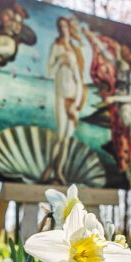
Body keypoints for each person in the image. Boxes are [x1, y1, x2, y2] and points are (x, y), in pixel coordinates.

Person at [82, 24, 131, 189]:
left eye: (124, 50)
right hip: (122, 112)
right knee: (126, 144)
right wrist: (91, 37)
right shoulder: (118, 65)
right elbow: (104, 52)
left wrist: (113, 98)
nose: (120, 52)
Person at [44, 18, 87, 182]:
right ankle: (49, 168)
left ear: (69, 28)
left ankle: (59, 172)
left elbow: (79, 78)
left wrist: (76, 103)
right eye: (60, 26)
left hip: (73, 97)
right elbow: (49, 71)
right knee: (60, 136)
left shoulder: (75, 50)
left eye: (65, 26)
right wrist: (60, 61)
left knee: (67, 138)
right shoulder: (56, 47)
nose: (63, 29)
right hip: (60, 95)